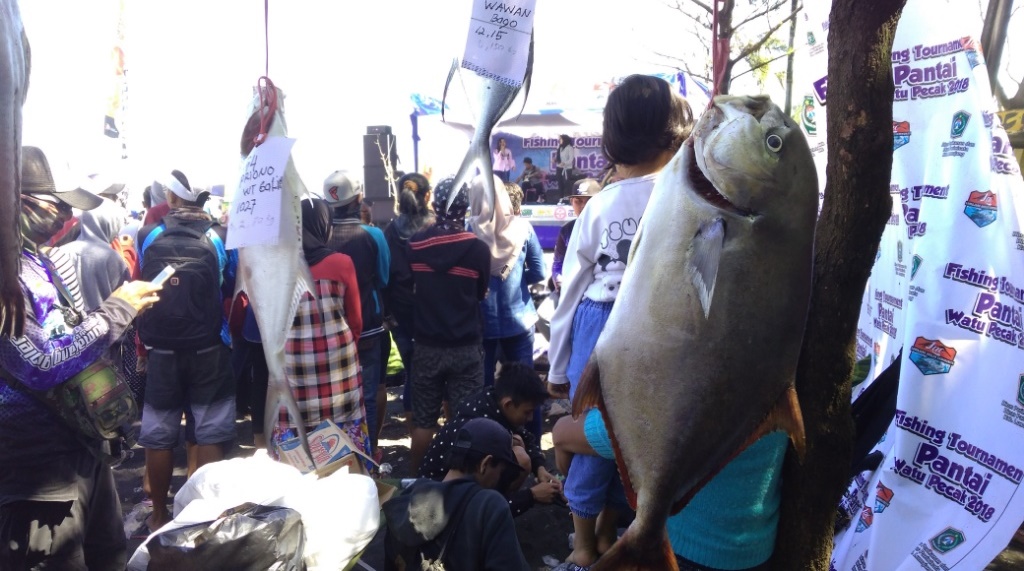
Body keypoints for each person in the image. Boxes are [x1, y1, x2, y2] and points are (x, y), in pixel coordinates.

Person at [547, 74, 694, 569]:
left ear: (612, 136)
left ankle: (584, 543)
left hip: (597, 320)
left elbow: (568, 291)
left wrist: (556, 369)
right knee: (634, 434)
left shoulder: (601, 204)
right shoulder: (690, 194)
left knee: (591, 431)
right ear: (678, 128)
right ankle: (613, 532)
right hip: (658, 321)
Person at [0, 146, 162, 570]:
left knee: (108, 556)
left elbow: (65, 338)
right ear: (16, 200)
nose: (62, 217)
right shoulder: (3, 275)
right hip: (37, 471)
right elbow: (39, 365)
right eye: (56, 205)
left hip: (83, 448)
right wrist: (116, 310)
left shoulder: (37, 260)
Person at [552, 412, 787, 571]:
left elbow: (626, 429)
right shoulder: (777, 357)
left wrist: (560, 433)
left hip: (689, 552)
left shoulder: (707, 374)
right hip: (758, 549)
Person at [136, 170, 238, 531]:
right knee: (209, 430)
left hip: (160, 347)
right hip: (210, 345)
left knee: (159, 432)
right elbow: (229, 288)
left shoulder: (148, 235)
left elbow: (141, 286)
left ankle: (159, 515)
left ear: (172, 197)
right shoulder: (221, 237)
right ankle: (203, 516)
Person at [406, 176, 491, 474]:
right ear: (465, 206)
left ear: (435, 203)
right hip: (466, 347)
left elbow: (409, 290)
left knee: (423, 423)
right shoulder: (478, 250)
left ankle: (418, 482)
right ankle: (461, 486)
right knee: (467, 423)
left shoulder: (416, 245)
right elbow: (481, 293)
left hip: (427, 346)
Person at [279, 198, 369, 454]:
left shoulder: (281, 267)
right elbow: (356, 322)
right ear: (323, 225)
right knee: (343, 440)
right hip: (339, 367)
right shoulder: (342, 263)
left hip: (294, 368)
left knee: (297, 445)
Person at [383, 417, 531, 571]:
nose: (499, 479)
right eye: (501, 472)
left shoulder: (408, 497)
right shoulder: (488, 505)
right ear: (485, 464)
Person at [418, 362, 563, 516]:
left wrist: (539, 468)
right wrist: (531, 495)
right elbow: (470, 504)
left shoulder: (492, 403)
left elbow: (526, 437)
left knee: (519, 445)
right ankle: (498, 516)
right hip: (440, 507)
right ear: (508, 404)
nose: (530, 418)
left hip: (440, 495)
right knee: (520, 457)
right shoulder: (482, 433)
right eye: (527, 412)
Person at [468, 178, 546, 437]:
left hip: (482, 325)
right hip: (519, 320)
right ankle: (531, 446)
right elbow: (538, 271)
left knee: (486, 390)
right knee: (526, 388)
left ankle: (493, 443)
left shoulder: (469, 231)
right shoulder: (523, 228)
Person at [323, 170, 391, 454]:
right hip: (368, 330)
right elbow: (385, 278)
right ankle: (368, 458)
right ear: (359, 198)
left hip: (327, 331)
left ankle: (335, 456)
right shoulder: (373, 235)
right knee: (367, 398)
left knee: (332, 399)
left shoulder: (319, 236)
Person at [382, 172, 435, 420]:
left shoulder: (388, 232)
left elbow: (383, 277)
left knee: (413, 371)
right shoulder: (435, 229)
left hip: (400, 316)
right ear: (427, 196)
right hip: (432, 315)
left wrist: (388, 314)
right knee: (436, 373)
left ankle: (415, 432)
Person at [549, 178, 603, 305]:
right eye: (578, 201)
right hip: (572, 294)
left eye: (589, 201)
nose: (583, 206)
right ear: (571, 202)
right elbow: (558, 263)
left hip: (601, 296)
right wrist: (559, 280)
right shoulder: (566, 230)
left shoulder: (611, 227)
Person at [555, 134, 576, 201]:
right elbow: (559, 157)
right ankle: (561, 198)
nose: (559, 140)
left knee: (566, 183)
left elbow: (571, 159)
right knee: (560, 183)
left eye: (561, 139)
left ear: (564, 140)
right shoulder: (560, 147)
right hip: (559, 167)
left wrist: (565, 163)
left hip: (567, 168)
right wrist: (555, 160)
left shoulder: (569, 148)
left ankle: (568, 198)